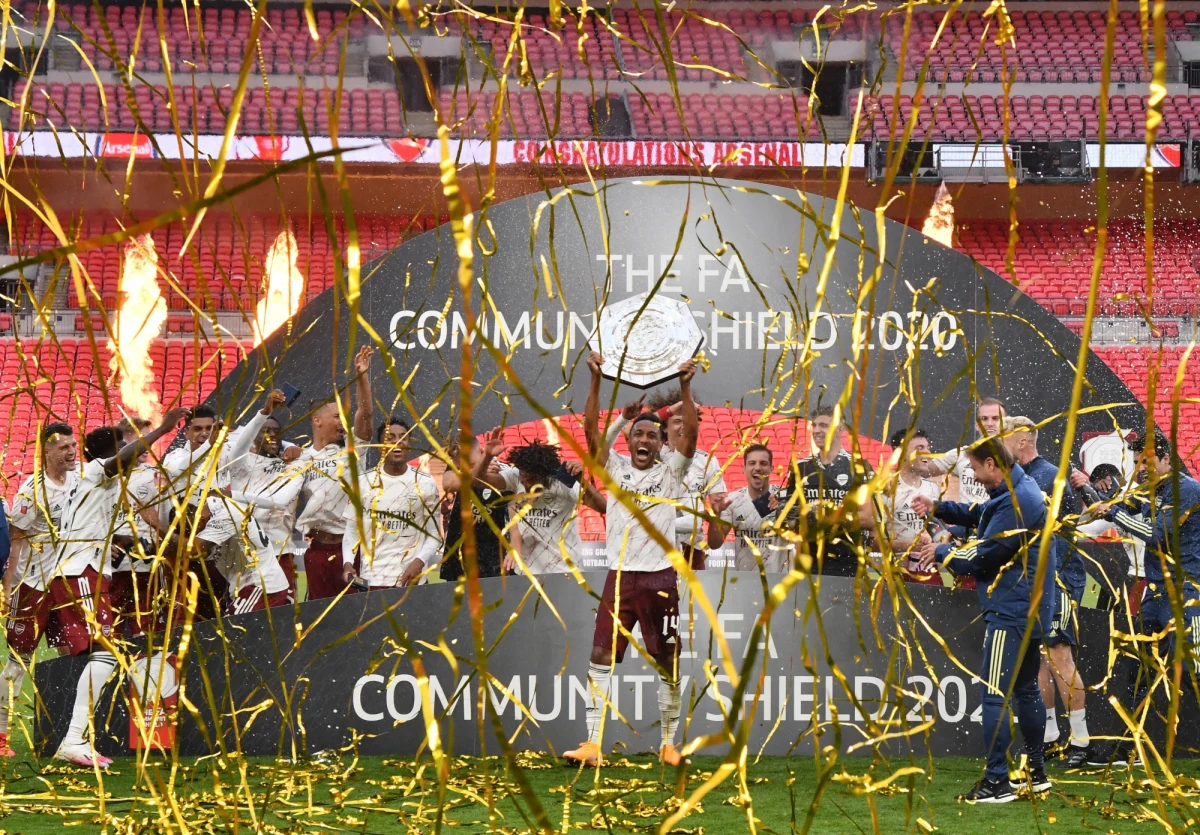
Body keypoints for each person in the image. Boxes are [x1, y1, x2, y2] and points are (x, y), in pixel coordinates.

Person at [564, 352, 699, 768]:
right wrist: (594, 381)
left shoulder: (672, 472)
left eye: (651, 437)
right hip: (619, 579)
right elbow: (589, 432)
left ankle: (669, 744)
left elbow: (691, 434)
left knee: (667, 661)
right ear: (628, 440)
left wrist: (686, 386)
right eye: (637, 435)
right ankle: (591, 744)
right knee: (601, 656)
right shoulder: (614, 469)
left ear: (661, 443)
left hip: (660, 579)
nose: (644, 441)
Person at [913, 437, 1052, 802]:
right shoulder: (1017, 490)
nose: (971, 473)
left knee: (994, 696)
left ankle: (997, 782)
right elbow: (981, 515)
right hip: (1028, 608)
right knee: (1026, 690)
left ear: (992, 464)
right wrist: (939, 507)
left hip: (1011, 610)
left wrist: (941, 550)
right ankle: (1035, 772)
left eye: (974, 467)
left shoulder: (1019, 500)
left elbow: (985, 553)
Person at [52, 408, 187, 768]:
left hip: (85, 569)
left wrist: (128, 541)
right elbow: (123, 457)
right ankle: (74, 739)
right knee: (107, 654)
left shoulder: (95, 482)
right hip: (80, 571)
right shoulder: (96, 471)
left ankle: (75, 738)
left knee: (103, 655)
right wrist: (165, 428)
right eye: (123, 448)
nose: (131, 455)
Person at [1098, 430, 1200, 764]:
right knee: (1139, 671)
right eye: (1137, 459)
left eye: (1149, 459)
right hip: (1155, 594)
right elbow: (1117, 508)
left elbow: (1155, 535)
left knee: (1195, 672)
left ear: (1168, 459)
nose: (1142, 466)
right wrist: (1099, 496)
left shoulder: (1187, 490)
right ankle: (1132, 747)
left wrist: (1115, 512)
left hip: (1188, 596)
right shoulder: (1147, 490)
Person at [1002, 416, 1096, 767]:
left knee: (1059, 657)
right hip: (1031, 581)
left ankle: (1082, 742)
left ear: (1023, 440)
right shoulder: (1017, 479)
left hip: (1057, 579)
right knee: (1038, 661)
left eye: (1006, 438)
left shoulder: (1052, 476)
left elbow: (1079, 524)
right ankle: (1051, 736)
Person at [0, 423, 80, 758]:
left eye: (73, 446)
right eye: (63, 448)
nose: (71, 452)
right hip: (32, 585)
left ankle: (69, 733)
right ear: (46, 450)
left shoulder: (79, 481)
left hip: (67, 583)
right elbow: (14, 540)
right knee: (19, 661)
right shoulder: (32, 492)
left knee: (72, 655)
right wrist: (8, 589)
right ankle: (1, 735)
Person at [296, 345, 375, 600]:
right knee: (318, 618)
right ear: (317, 420)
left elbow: (366, 415)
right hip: (317, 550)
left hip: (349, 550)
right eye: (336, 417)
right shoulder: (302, 458)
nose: (343, 422)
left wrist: (362, 377)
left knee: (356, 615)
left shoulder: (352, 452)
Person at [341, 416, 442, 590]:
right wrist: (348, 563)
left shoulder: (425, 482)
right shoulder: (363, 482)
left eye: (403, 437)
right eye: (390, 438)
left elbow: (433, 534)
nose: (398, 442)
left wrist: (418, 562)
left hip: (412, 581)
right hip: (373, 580)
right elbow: (351, 530)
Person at [774, 405, 876, 577]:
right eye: (814, 425)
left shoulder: (859, 466)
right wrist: (783, 512)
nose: (816, 431)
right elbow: (790, 520)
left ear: (840, 429)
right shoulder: (800, 467)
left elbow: (869, 519)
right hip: (809, 560)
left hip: (848, 560)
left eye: (824, 425)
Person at [222, 394, 305, 598]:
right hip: (247, 553)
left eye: (277, 432)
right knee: (247, 614)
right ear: (255, 436)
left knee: (285, 613)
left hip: (280, 550)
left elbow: (278, 502)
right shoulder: (241, 462)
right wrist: (264, 412)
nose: (272, 436)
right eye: (266, 431)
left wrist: (231, 495)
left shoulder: (294, 465)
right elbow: (240, 442)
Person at [646, 389, 727, 570]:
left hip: (692, 551)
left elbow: (717, 507)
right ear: (664, 427)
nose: (683, 426)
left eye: (688, 421)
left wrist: (716, 512)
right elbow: (639, 425)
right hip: (656, 550)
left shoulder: (707, 461)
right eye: (676, 421)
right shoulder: (649, 459)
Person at [494, 439, 593, 577]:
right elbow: (513, 511)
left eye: (532, 479)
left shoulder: (563, 484)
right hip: (526, 572)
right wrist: (487, 458)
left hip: (564, 570)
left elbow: (600, 506)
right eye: (524, 478)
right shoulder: (516, 479)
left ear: (545, 476)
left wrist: (583, 480)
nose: (527, 483)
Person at [110, 417, 164, 639]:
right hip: (113, 567)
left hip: (147, 565)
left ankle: (145, 671)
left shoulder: (157, 475)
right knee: (109, 632)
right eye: (141, 438)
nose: (147, 444)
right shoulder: (104, 476)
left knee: (145, 630)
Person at [707, 444, 792, 573]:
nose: (757, 468)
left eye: (763, 463)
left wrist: (787, 510)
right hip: (746, 581)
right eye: (752, 463)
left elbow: (801, 536)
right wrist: (715, 515)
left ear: (771, 469)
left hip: (779, 582)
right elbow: (714, 544)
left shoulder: (784, 498)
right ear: (744, 469)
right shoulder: (733, 501)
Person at [440, 428, 510, 581]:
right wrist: (481, 468)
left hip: (496, 559)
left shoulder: (505, 473)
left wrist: (484, 466)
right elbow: (448, 484)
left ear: (481, 451)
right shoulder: (456, 470)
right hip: (460, 558)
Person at [878, 429, 944, 586]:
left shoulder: (933, 489)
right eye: (919, 448)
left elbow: (938, 529)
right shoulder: (886, 488)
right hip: (896, 573)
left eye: (927, 447)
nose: (927, 452)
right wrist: (911, 543)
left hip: (929, 573)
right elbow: (874, 541)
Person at [928, 397, 1007, 506]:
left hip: (999, 520)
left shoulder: (1014, 458)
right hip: (967, 520)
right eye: (984, 418)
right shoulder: (960, 454)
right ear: (976, 424)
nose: (989, 423)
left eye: (995, 418)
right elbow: (923, 471)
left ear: (1006, 423)